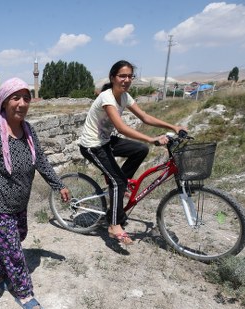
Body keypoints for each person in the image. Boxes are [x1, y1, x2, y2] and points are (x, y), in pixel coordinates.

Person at [0, 77, 70, 309]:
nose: (22, 103)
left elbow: (40, 160)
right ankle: (24, 291)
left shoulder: (28, 129)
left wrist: (57, 184)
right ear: (3, 102)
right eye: (16, 98)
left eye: (26, 98)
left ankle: (0, 271)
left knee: (19, 236)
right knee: (13, 249)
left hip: (20, 202)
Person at [78, 60, 185, 245]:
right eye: (122, 76)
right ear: (113, 78)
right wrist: (152, 139)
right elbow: (121, 127)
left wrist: (172, 126)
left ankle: (118, 186)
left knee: (140, 150)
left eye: (129, 76)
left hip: (106, 140)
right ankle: (114, 224)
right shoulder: (107, 97)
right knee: (118, 180)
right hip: (92, 144)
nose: (126, 80)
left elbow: (144, 117)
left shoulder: (125, 96)